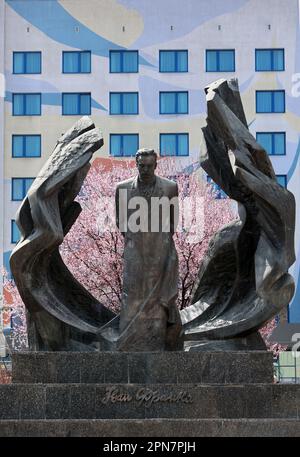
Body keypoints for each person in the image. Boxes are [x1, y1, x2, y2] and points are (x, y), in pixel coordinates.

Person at [115, 148, 183, 351]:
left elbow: (173, 221)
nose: (145, 169)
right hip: (134, 252)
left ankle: (156, 339)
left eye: (149, 166)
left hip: (160, 251)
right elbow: (121, 222)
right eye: (141, 165)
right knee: (132, 295)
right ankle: (130, 341)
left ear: (156, 165)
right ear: (136, 165)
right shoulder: (123, 188)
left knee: (159, 298)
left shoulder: (170, 188)